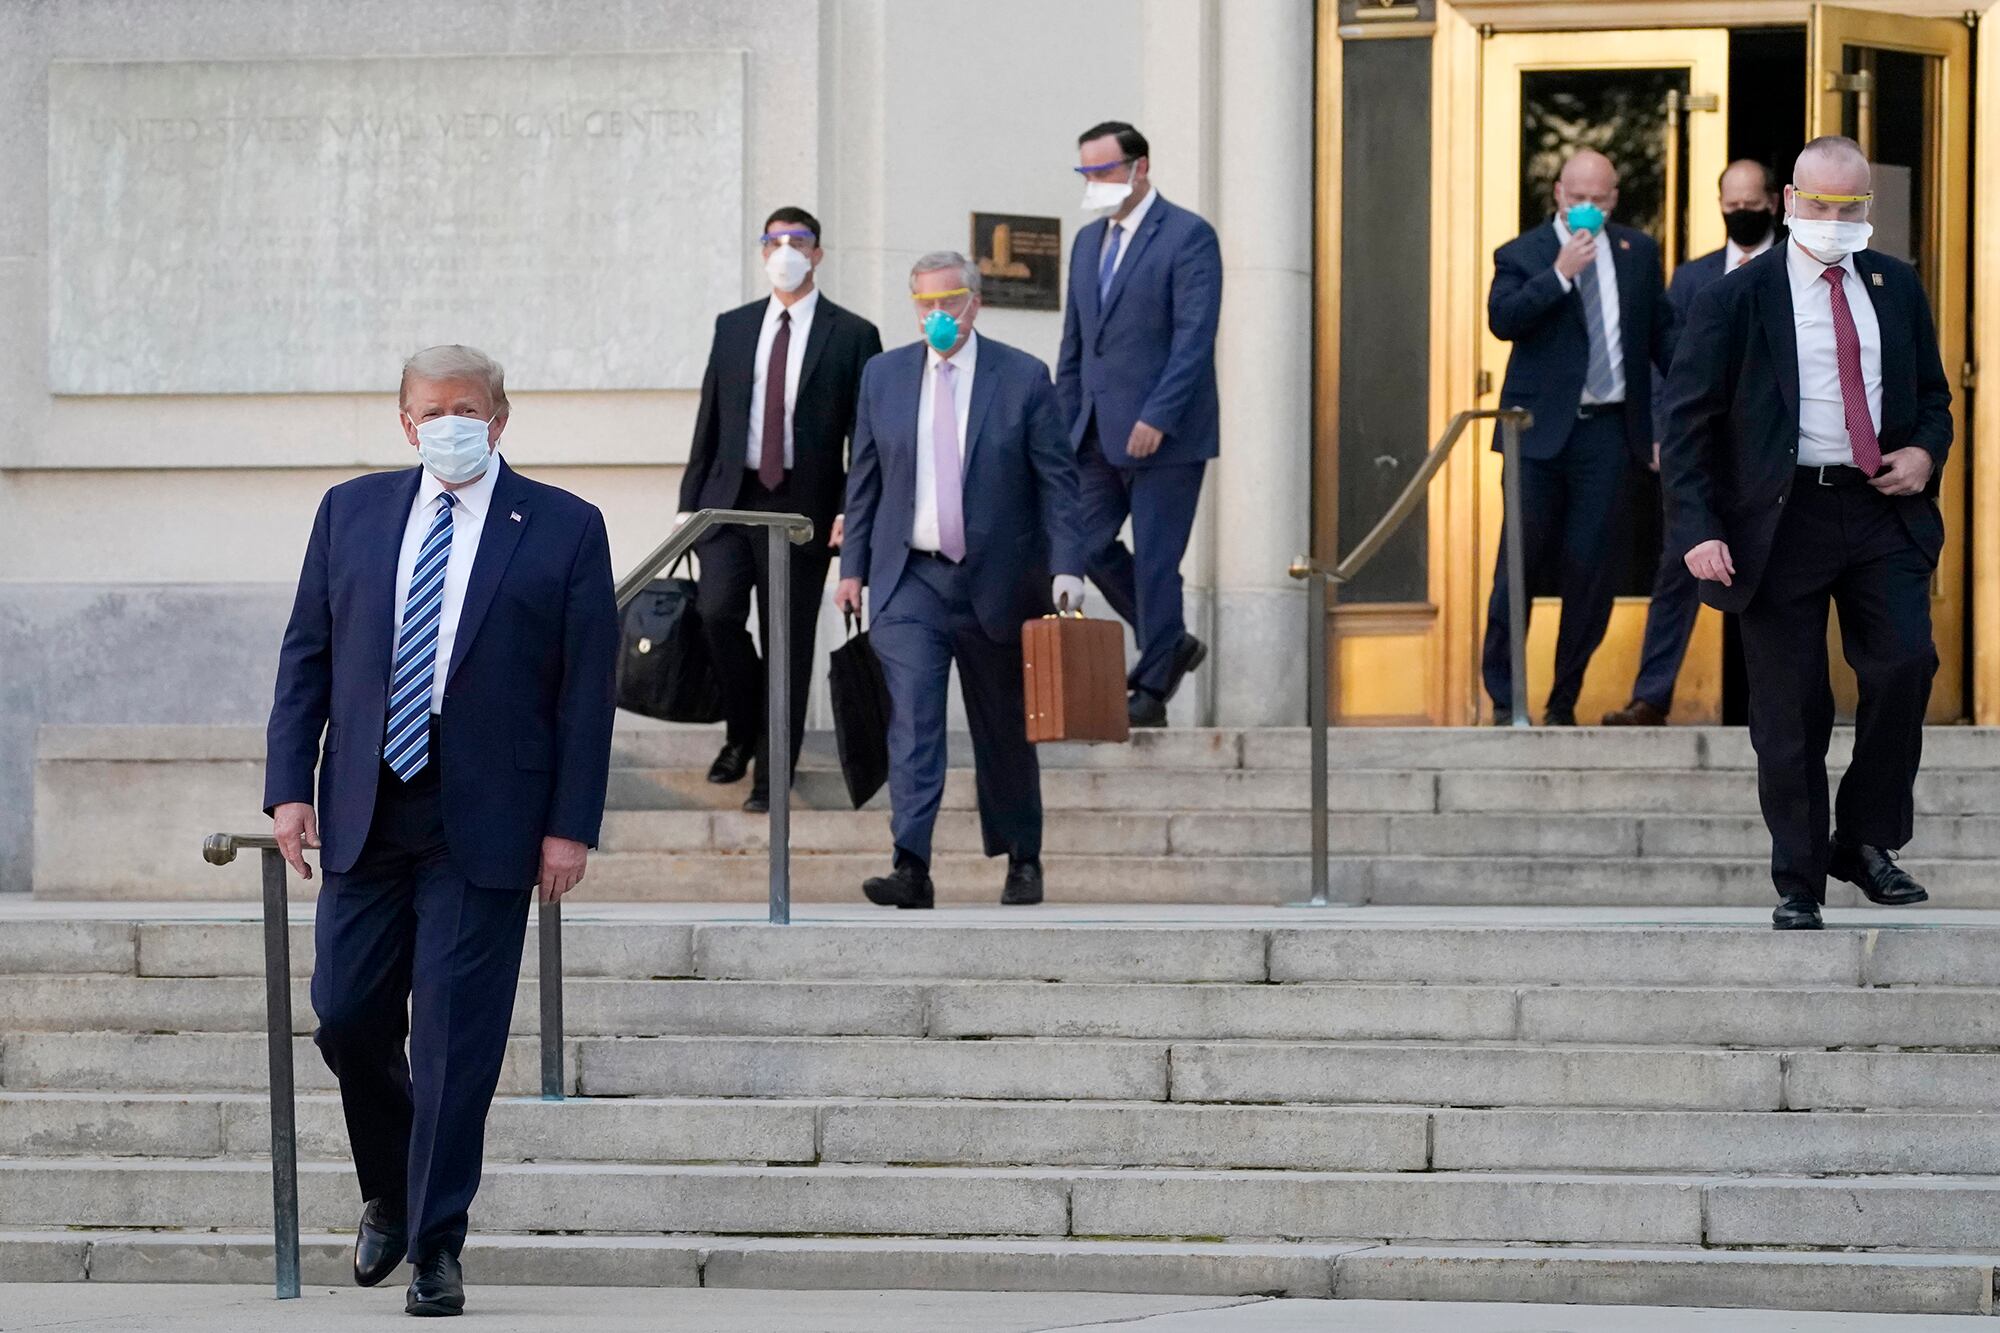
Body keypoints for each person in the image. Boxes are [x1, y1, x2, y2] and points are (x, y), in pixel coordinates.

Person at [263, 345, 619, 1314]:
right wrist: (287, 787)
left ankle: (435, 1244)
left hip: (491, 819)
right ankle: (390, 1185)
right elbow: (308, 654)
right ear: (404, 421)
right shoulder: (352, 513)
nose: (448, 423)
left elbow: (587, 696)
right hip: (366, 809)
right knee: (344, 1013)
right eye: (431, 409)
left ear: (500, 418)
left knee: (454, 1043)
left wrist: (569, 826)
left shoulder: (564, 528)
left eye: (467, 407)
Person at [1661, 136, 1950, 931]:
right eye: (1817, 202)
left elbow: (1932, 396)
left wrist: (1926, 451)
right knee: (1790, 710)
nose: (1831, 217)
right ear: (1789, 202)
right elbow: (1685, 421)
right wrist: (1697, 526)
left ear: (1866, 206)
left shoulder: (1896, 286)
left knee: (1904, 663)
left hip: (1880, 507)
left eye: (1847, 205)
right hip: (1777, 522)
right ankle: (1798, 879)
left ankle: (1861, 840)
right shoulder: (1736, 296)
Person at [836, 252, 1085, 908]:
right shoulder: (883, 376)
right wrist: (852, 567)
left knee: (1003, 726)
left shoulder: (1023, 378)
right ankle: (910, 863)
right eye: (925, 303)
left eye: (950, 301)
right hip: (909, 578)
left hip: (998, 579)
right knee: (913, 721)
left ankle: (1022, 856)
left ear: (975, 303)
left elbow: (1059, 481)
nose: (937, 314)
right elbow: (863, 478)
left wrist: (1068, 567)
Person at [679, 206, 882, 811]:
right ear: (762, 251)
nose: (786, 250)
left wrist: (853, 510)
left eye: (799, 241)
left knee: (786, 643)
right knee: (715, 616)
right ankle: (742, 727)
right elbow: (709, 418)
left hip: (804, 509)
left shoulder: (852, 334)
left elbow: (863, 435)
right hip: (729, 500)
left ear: (818, 253)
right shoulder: (734, 326)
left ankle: (771, 777)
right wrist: (689, 503)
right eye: (775, 241)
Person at [1485, 148, 1675, 725]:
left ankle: (1562, 700)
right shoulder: (1523, 253)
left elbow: (1661, 336)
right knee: (1517, 568)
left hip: (1609, 435)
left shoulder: (1637, 252)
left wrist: (1685, 413)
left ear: (1613, 200)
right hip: (1536, 437)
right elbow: (1503, 320)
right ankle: (1504, 700)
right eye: (1577, 199)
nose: (1587, 209)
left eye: (1599, 200)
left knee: (1591, 574)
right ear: (1558, 196)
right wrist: (1561, 274)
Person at [1604, 159, 1782, 726]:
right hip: (1706, 458)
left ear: (1775, 202)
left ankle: (1776, 705)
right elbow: (1670, 371)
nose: (1741, 213)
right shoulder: (1691, 279)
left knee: (1783, 579)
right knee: (1678, 571)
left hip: (1777, 459)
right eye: (1730, 204)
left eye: (1751, 203)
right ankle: (1652, 696)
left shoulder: (1796, 269)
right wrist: (1661, 433)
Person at [1056, 120, 1221, 728]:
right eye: (1086, 172)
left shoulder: (1187, 236)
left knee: (1155, 559)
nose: (1094, 182)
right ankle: (1170, 639)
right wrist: (1062, 428)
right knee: (1083, 544)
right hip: (1094, 434)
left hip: (1165, 437)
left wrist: (1159, 413)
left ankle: (1152, 688)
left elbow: (1193, 339)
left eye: (1103, 170)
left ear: (1140, 166)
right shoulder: (1084, 243)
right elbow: (1074, 345)